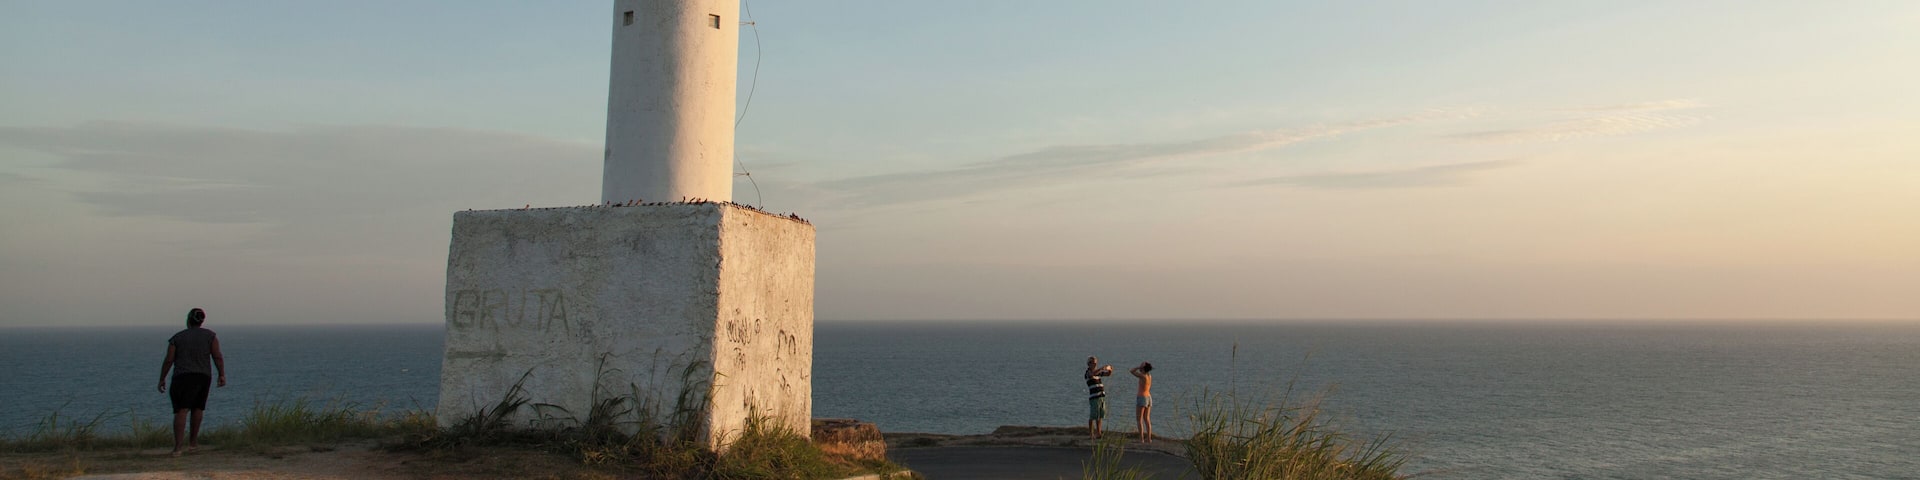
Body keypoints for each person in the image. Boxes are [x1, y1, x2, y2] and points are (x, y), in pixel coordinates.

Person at [157, 308, 226, 457]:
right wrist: (221, 374)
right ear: (202, 321)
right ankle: (193, 444)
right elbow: (217, 356)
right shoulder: (211, 336)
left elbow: (169, 360)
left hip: (182, 377)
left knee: (181, 410)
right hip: (203, 376)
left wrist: (162, 378)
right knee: (198, 408)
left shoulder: (177, 338)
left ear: (188, 320)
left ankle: (178, 448)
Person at [1085, 356, 1114, 440]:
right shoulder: (1088, 372)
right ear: (1089, 364)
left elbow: (1108, 374)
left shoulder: (1097, 373)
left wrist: (1109, 369)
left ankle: (1099, 433)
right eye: (1093, 363)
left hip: (1101, 396)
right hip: (1094, 397)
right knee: (1093, 416)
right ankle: (1091, 434)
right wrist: (1102, 368)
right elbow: (1092, 374)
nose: (1095, 365)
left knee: (1100, 416)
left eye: (1095, 363)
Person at [1129, 362, 1154, 442]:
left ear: (1143, 368)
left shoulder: (1143, 376)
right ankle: (1149, 438)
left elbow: (1131, 371)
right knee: (1147, 419)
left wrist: (1138, 367)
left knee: (1139, 419)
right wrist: (1141, 367)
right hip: (1149, 397)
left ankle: (1141, 438)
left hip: (1142, 397)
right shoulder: (1149, 376)